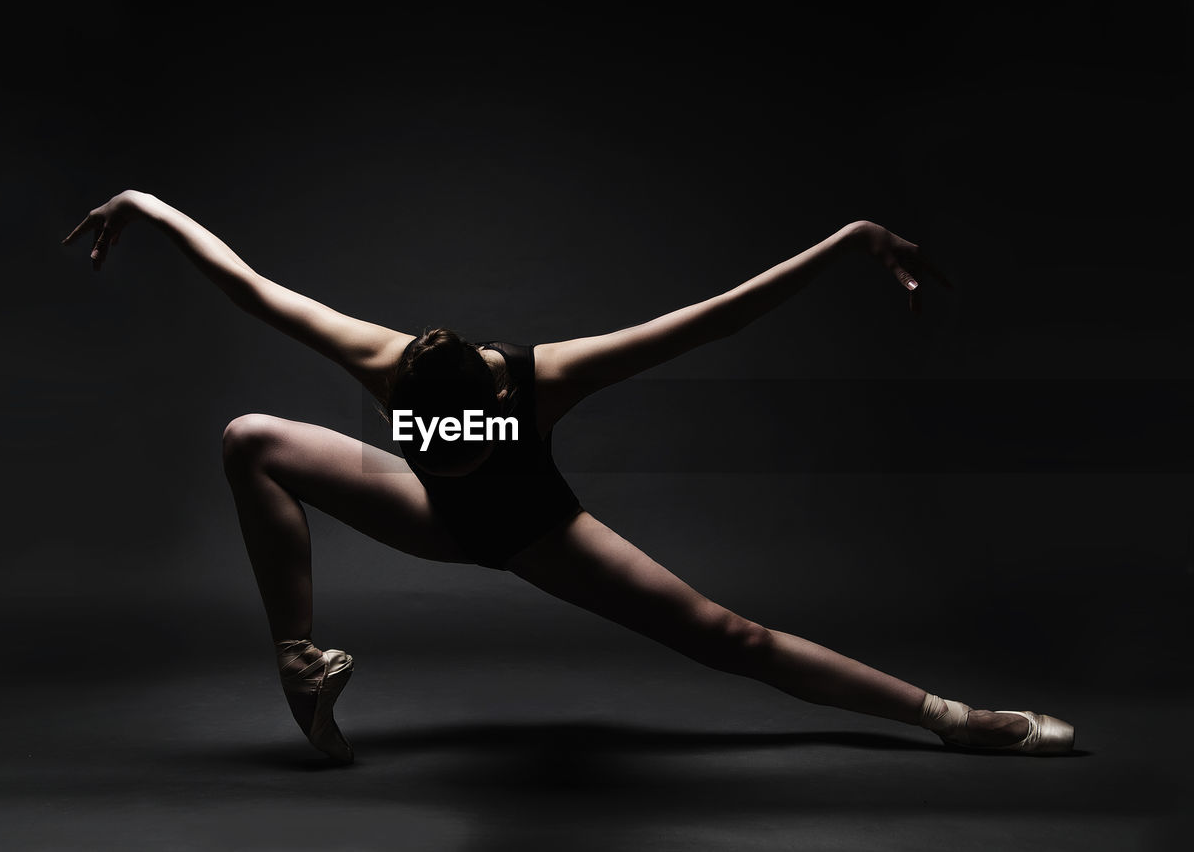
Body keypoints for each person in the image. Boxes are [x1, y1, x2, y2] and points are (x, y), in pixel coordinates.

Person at [62, 189, 1074, 763]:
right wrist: (147, 205)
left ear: (498, 390)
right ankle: (298, 659)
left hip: (536, 533)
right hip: (432, 514)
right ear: (412, 369)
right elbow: (245, 284)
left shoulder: (547, 376)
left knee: (733, 639)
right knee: (250, 436)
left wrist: (849, 240)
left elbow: (719, 314)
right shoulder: (382, 356)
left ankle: (950, 721)